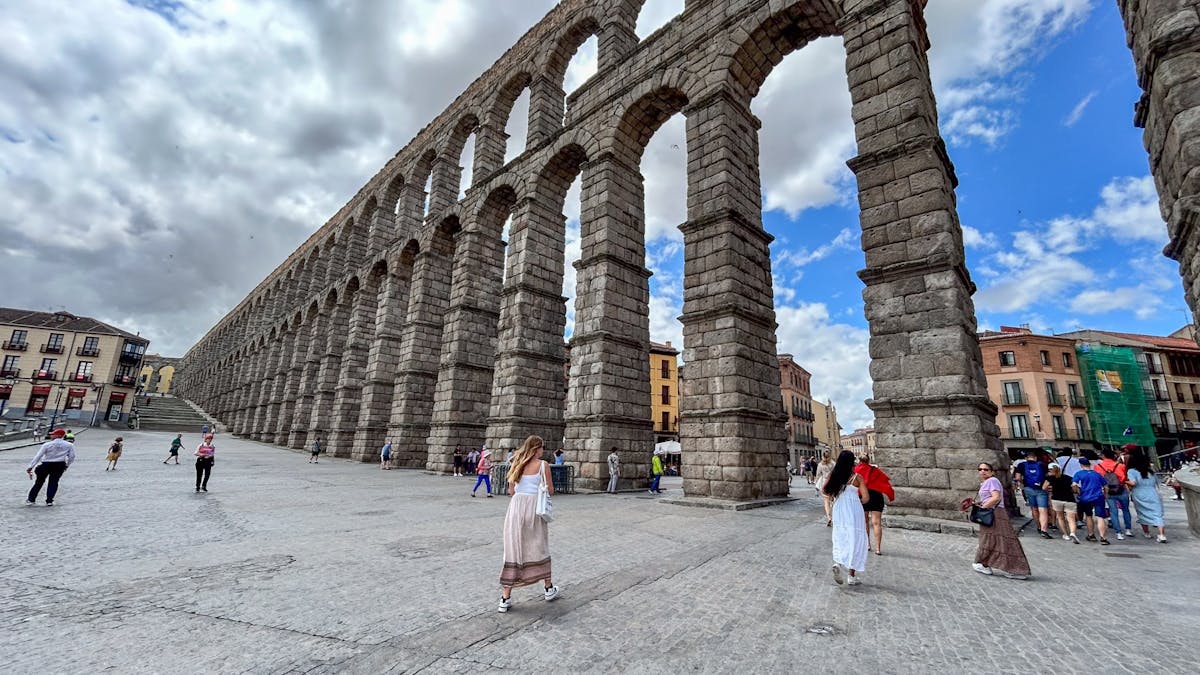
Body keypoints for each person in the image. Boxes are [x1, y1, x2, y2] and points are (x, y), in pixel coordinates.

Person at [498, 435, 560, 612]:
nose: (543, 451)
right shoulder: (543, 465)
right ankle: (548, 588)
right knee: (538, 546)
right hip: (534, 509)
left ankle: (505, 598)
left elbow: (511, 491)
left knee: (514, 549)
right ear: (537, 448)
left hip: (516, 509)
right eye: (542, 447)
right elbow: (551, 490)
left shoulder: (516, 464)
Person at [971, 462, 1031, 579]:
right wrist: (979, 503)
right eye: (980, 469)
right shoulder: (987, 482)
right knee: (994, 539)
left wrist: (984, 507)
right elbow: (991, 497)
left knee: (993, 539)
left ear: (992, 471)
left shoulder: (992, 481)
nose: (982, 471)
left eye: (986, 469)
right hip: (994, 511)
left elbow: (996, 497)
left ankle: (1011, 568)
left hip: (994, 513)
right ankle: (986, 564)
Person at [824, 450, 868, 586]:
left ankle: (838, 562)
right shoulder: (858, 477)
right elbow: (866, 498)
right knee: (855, 538)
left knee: (840, 535)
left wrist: (836, 497)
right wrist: (856, 502)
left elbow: (824, 490)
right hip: (854, 510)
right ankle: (851, 576)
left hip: (839, 508)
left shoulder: (834, 475)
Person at [853, 453, 894, 555]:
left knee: (865, 522)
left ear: (859, 460)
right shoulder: (875, 470)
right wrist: (891, 496)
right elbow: (886, 482)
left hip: (863, 496)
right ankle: (878, 548)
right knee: (877, 523)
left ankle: (867, 545)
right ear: (869, 460)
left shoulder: (856, 470)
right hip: (876, 497)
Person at [25, 428, 76, 506]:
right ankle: (49, 501)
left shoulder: (47, 444)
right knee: (53, 482)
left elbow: (38, 456)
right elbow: (72, 457)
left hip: (46, 464)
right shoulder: (69, 445)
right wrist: (67, 465)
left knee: (39, 482)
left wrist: (31, 466)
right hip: (59, 464)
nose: (51, 435)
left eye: (53, 434)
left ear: (58, 435)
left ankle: (31, 499)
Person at [1125, 449, 1167, 543]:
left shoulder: (1132, 471)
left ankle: (1147, 533)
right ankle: (1161, 535)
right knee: (1157, 515)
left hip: (1139, 494)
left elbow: (1133, 483)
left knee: (1142, 513)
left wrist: (1124, 481)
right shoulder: (1151, 472)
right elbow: (1157, 484)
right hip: (1153, 493)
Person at [1072, 458, 1111, 545]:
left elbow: (1074, 485)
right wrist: (1105, 495)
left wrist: (1077, 491)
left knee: (1088, 516)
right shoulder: (1097, 474)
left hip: (1085, 497)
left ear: (1081, 465)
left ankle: (1091, 535)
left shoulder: (1079, 474)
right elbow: (1106, 486)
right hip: (1098, 497)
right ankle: (1103, 537)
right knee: (1100, 517)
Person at [1015, 448, 1051, 539]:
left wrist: (1023, 483)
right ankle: (1044, 530)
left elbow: (1018, 477)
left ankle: (1038, 527)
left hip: (1028, 488)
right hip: (1041, 489)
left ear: (1027, 458)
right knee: (1043, 510)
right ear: (1035, 458)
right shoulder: (1042, 464)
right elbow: (1048, 477)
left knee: (1034, 509)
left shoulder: (1021, 465)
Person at [1096, 448, 1132, 539]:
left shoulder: (1098, 466)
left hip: (1108, 491)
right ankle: (1128, 529)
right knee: (1126, 510)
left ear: (1103, 455)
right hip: (1121, 489)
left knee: (1113, 511)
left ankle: (1118, 533)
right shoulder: (1120, 465)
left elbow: (1098, 480)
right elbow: (1124, 478)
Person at [1042, 462, 1080, 543]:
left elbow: (1043, 487)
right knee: (1071, 519)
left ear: (1050, 470)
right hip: (1069, 500)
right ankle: (1072, 532)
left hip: (1056, 499)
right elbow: (1075, 489)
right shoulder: (1069, 478)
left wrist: (1050, 489)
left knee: (1060, 517)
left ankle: (1065, 534)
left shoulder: (1050, 478)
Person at [814, 451, 835, 526]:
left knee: (826, 502)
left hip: (824, 484)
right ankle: (834, 516)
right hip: (832, 484)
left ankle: (829, 517)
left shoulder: (820, 465)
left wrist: (816, 484)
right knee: (833, 500)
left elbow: (818, 475)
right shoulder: (833, 464)